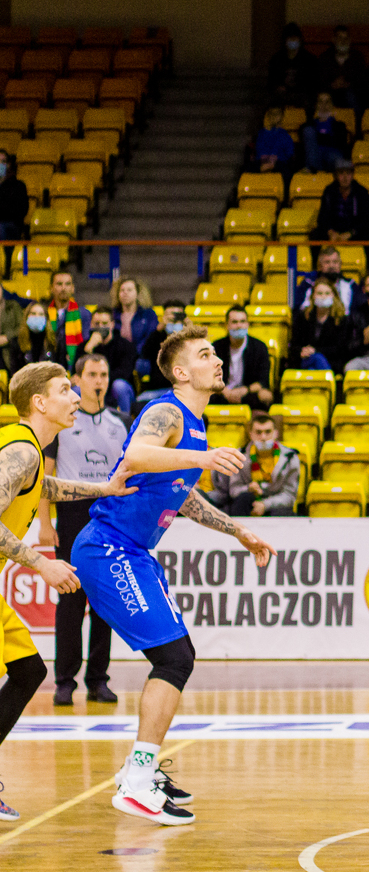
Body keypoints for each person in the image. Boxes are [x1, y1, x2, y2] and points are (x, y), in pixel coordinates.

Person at [72, 329, 275, 825]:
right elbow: (136, 455)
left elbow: (181, 493)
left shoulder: (195, 424)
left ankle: (137, 771)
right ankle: (138, 781)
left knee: (178, 656)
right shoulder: (166, 411)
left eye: (216, 353)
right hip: (107, 547)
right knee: (174, 658)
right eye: (205, 354)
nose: (217, 360)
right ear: (181, 372)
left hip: (133, 551)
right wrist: (203, 458)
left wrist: (237, 531)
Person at [0, 362, 141, 819]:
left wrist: (105, 487)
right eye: (65, 390)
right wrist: (41, 562)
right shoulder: (22, 451)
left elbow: (47, 486)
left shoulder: (29, 451)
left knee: (27, 672)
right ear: (39, 402)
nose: (77, 396)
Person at [41, 354, 129, 706]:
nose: (99, 380)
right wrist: (45, 523)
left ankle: (98, 680)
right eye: (92, 374)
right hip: (72, 515)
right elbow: (45, 476)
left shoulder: (121, 422)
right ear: (77, 379)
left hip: (109, 516)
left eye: (104, 374)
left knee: (104, 602)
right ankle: (65, 681)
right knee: (70, 601)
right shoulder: (63, 422)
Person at [206, 412, 299, 517]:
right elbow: (234, 491)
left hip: (275, 506)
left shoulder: (290, 457)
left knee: (283, 513)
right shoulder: (239, 456)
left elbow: (289, 495)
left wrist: (265, 505)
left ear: (275, 433)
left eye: (268, 432)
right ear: (251, 434)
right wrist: (248, 488)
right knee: (243, 499)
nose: (263, 437)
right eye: (258, 432)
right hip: (247, 504)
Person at [210, 307, 273, 410]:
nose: (239, 326)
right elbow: (209, 378)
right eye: (234, 322)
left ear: (248, 324)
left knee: (265, 395)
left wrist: (244, 390)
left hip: (247, 393)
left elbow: (263, 381)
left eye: (242, 321)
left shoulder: (259, 347)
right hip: (222, 392)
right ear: (226, 325)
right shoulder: (216, 347)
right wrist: (225, 392)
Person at [81, 314, 140, 416]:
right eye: (97, 323)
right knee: (77, 388)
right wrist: (89, 349)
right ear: (91, 325)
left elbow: (125, 373)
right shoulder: (85, 346)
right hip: (93, 386)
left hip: (118, 389)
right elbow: (77, 373)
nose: (100, 327)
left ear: (112, 324)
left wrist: (100, 379)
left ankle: (125, 421)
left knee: (119, 385)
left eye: (104, 323)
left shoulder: (125, 345)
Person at [290, 277, 352, 372]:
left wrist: (315, 351)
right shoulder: (303, 317)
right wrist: (302, 351)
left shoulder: (341, 319)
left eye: (327, 293)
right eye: (319, 293)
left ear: (333, 296)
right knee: (313, 360)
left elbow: (341, 349)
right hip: (305, 359)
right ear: (313, 296)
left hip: (332, 361)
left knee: (316, 361)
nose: (323, 296)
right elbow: (294, 345)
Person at [137, 301, 186, 404]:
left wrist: (186, 331)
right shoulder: (156, 338)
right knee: (140, 402)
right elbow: (144, 355)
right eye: (170, 317)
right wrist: (159, 329)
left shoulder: (189, 340)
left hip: (183, 391)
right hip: (158, 389)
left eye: (177, 316)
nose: (173, 320)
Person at [111, 276, 157, 379]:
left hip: (141, 357)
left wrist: (133, 352)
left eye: (129, 290)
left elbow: (150, 339)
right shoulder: (113, 315)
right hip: (119, 357)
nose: (125, 293)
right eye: (122, 290)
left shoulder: (148, 314)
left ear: (137, 293)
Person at [294, 247, 363, 314]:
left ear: (340, 264)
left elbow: (357, 311)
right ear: (320, 266)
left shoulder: (351, 284)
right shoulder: (308, 283)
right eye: (327, 262)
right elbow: (299, 309)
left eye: (335, 262)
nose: (331, 265)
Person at [266, 22, 318, 109]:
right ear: (285, 40)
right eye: (290, 38)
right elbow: (271, 82)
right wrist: (278, 87)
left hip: (302, 97)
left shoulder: (309, 60)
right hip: (281, 97)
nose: (293, 41)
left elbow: (312, 83)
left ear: (300, 39)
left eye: (295, 38)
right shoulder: (276, 59)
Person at [47, 270, 90, 370]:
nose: (63, 288)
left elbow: (85, 343)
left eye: (67, 284)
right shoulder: (44, 313)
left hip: (74, 367)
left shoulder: (83, 314)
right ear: (51, 288)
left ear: (73, 288)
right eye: (59, 284)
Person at [300, 91, 351, 174]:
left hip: (332, 157)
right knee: (308, 131)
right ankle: (313, 169)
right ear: (316, 105)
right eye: (320, 102)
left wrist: (319, 138)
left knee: (337, 159)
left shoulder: (339, 125)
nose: (323, 106)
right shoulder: (308, 125)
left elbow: (341, 144)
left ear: (332, 105)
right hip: (315, 157)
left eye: (327, 102)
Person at [318, 24, 365, 109]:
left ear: (350, 40)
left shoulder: (357, 58)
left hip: (352, 93)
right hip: (330, 92)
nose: (343, 42)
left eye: (345, 39)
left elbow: (362, 80)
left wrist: (347, 84)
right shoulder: (325, 58)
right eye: (340, 38)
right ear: (334, 40)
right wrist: (333, 85)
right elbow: (320, 79)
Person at [251, 106, 296, 177]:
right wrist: (266, 163)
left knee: (286, 170)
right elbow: (259, 151)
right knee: (250, 168)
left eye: (277, 114)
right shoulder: (261, 133)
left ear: (282, 116)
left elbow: (289, 154)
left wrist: (273, 163)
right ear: (268, 116)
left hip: (279, 163)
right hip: (263, 162)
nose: (274, 116)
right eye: (272, 114)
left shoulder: (285, 135)